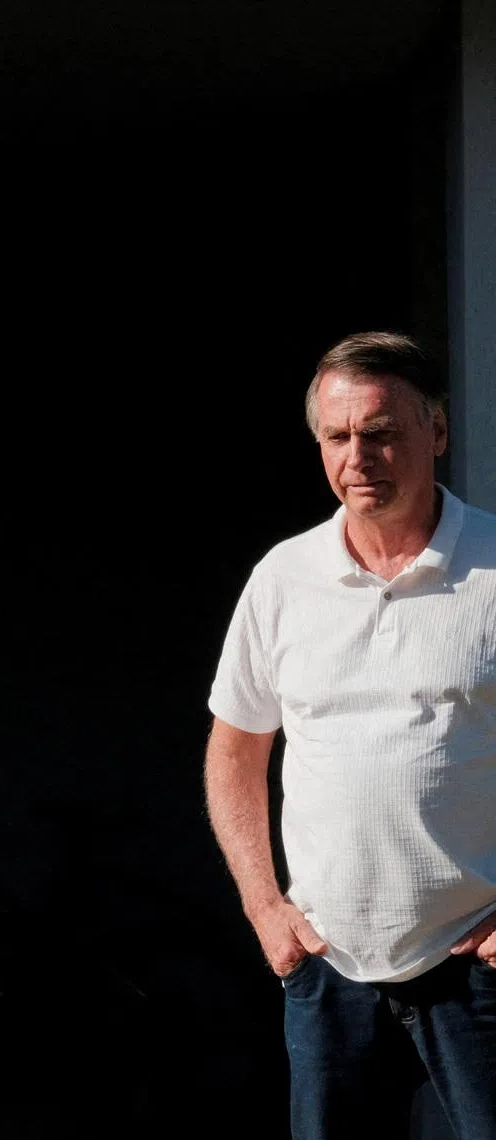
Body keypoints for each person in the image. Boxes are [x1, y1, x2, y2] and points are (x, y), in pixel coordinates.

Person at [204, 331, 496, 1140]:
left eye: (382, 432)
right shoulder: (284, 578)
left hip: (478, 965)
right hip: (328, 967)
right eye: (338, 437)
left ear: (436, 432)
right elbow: (235, 747)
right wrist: (266, 908)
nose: (358, 457)